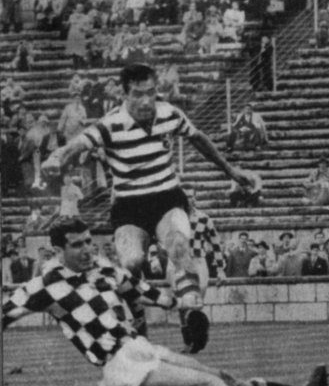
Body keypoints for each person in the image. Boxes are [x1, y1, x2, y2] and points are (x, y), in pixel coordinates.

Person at [2, 218, 327, 386]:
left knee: (223, 377)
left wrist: (184, 305)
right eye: (77, 245)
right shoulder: (43, 286)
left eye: (88, 241)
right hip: (120, 366)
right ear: (58, 250)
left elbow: (143, 291)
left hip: (141, 349)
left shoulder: (103, 268)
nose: (87, 249)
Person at [41, 63, 255, 355]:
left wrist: (232, 171)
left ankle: (191, 315)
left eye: (151, 93)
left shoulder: (169, 113)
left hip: (167, 197)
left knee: (178, 245)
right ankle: (138, 320)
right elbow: (76, 145)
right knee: (131, 263)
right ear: (124, 95)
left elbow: (198, 138)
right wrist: (56, 158)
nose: (145, 101)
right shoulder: (111, 124)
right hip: (129, 206)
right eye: (137, 94)